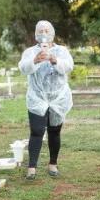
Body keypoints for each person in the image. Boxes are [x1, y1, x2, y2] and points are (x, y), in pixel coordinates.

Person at [18, 20, 73, 180]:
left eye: (47, 30)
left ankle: (53, 163)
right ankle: (32, 167)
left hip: (58, 98)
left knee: (54, 131)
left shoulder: (61, 50)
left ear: (52, 33)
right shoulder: (30, 52)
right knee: (36, 131)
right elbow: (23, 68)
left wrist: (54, 60)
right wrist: (35, 60)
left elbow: (68, 67)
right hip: (37, 97)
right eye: (40, 30)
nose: (44, 33)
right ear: (36, 34)